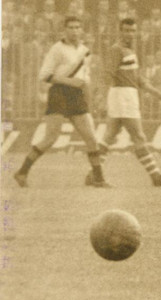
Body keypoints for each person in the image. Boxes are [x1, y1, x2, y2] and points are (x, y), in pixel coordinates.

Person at [14, 16, 110, 187]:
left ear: (81, 30)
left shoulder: (85, 50)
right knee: (50, 138)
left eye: (77, 27)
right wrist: (69, 81)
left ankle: (99, 179)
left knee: (91, 138)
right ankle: (22, 172)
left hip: (77, 96)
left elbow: (84, 78)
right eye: (71, 27)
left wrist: (89, 98)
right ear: (64, 30)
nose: (74, 30)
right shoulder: (57, 49)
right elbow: (44, 75)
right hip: (59, 94)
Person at [98, 18, 161, 187]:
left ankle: (94, 173)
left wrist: (158, 94)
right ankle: (155, 176)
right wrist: (104, 99)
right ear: (120, 31)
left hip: (127, 95)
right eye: (126, 30)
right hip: (122, 96)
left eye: (132, 30)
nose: (130, 34)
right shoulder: (117, 50)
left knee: (109, 136)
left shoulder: (129, 50)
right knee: (138, 136)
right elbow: (108, 75)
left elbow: (138, 79)